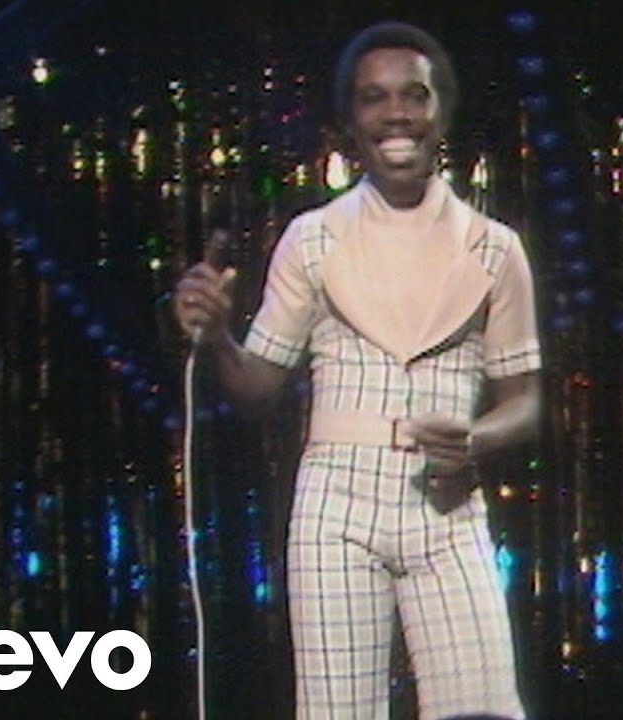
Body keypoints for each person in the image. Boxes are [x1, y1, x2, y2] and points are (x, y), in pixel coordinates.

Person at [172, 21, 540, 720]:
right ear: (350, 124)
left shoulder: (496, 250)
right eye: (375, 98)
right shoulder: (312, 241)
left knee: (484, 706)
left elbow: (525, 399)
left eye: (414, 95)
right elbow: (257, 387)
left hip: (447, 506)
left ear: (441, 114)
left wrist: (475, 440)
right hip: (335, 506)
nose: (396, 114)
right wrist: (217, 337)